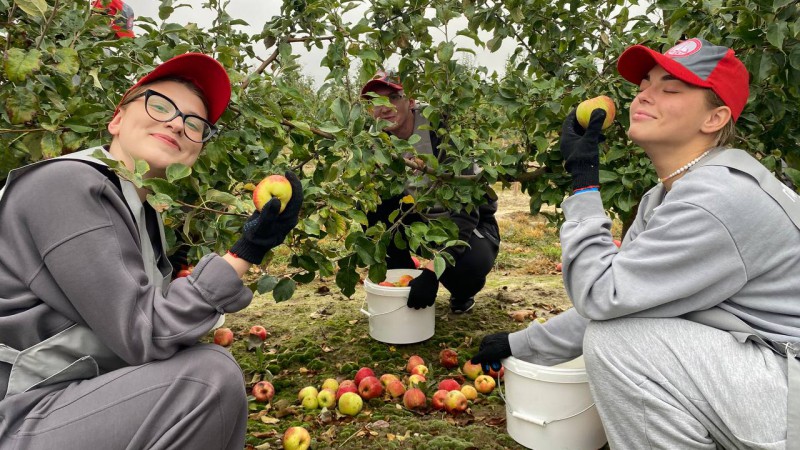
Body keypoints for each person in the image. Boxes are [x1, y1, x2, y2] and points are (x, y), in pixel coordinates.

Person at [471, 38, 800, 448]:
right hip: (760, 372)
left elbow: (601, 298)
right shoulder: (675, 192)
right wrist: (521, 345)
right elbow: (626, 298)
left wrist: (584, 183)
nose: (644, 94)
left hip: (787, 398)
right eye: (645, 84)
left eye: (671, 88)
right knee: (622, 332)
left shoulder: (717, 200)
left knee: (617, 344)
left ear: (714, 118)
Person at [0, 53, 303, 449]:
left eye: (195, 123)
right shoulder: (66, 184)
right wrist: (247, 249)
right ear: (117, 119)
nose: (177, 123)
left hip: (61, 402)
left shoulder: (141, 211)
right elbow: (146, 334)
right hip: (17, 414)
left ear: (195, 152)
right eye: (160, 104)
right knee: (206, 378)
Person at [361, 70, 501, 314]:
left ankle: (461, 292)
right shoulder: (375, 141)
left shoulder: (442, 129)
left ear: (411, 102)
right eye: (375, 101)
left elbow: (466, 213)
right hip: (418, 218)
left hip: (467, 222)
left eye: (393, 98)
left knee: (469, 267)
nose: (384, 108)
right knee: (370, 208)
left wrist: (432, 272)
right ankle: (403, 279)